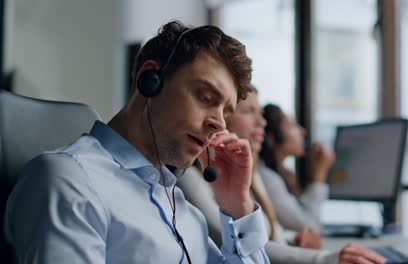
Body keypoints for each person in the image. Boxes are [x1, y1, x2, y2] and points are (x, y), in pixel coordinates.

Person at [4, 21, 270, 263]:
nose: (220, 124)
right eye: (205, 97)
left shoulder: (183, 210)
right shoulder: (70, 181)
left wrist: (238, 205)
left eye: (226, 112)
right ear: (150, 80)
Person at [178, 90, 386, 264]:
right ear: (222, 118)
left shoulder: (252, 175)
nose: (262, 122)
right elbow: (233, 239)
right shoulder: (191, 178)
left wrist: (292, 240)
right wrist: (322, 259)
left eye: (260, 113)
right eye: (249, 111)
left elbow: (261, 237)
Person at [258, 104, 335, 230]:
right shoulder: (267, 177)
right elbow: (309, 226)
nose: (302, 131)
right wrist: (319, 175)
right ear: (274, 138)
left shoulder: (286, 175)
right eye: (293, 127)